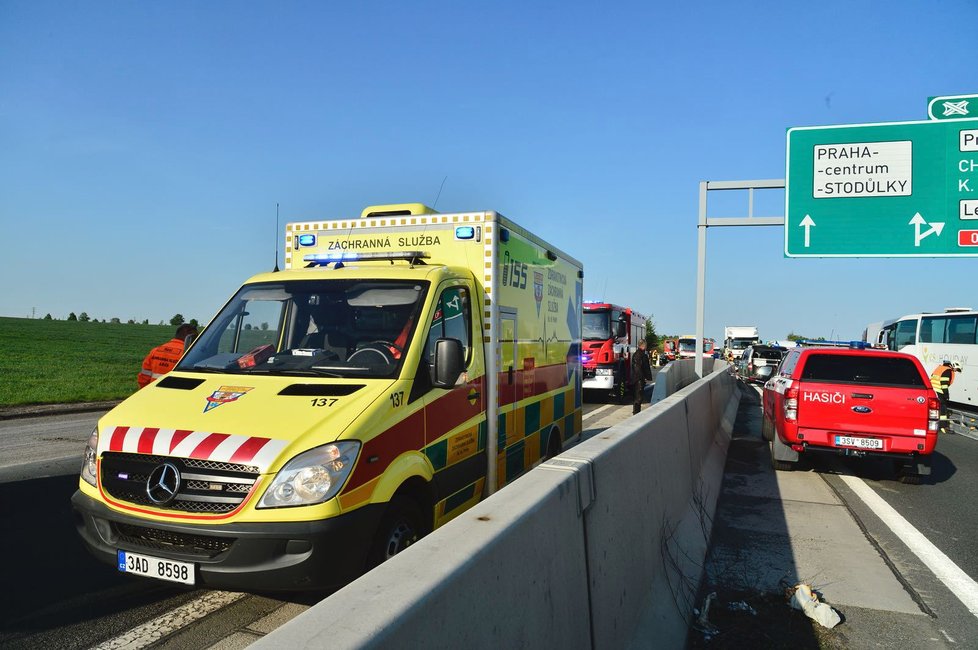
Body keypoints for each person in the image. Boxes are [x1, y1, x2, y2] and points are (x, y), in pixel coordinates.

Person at [137, 324, 198, 389]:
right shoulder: (189, 354)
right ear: (190, 336)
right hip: (176, 394)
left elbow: (144, 376)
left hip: (153, 392)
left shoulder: (155, 351)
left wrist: (145, 391)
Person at [930, 360, 962, 433]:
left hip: (933, 390)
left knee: (935, 409)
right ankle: (943, 427)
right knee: (943, 409)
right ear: (954, 366)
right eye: (957, 369)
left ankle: (935, 425)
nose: (956, 371)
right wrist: (946, 395)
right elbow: (944, 384)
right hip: (939, 391)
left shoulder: (940, 368)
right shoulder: (947, 371)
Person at [629, 339, 654, 414]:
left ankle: (636, 412)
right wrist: (644, 377)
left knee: (637, 397)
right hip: (638, 379)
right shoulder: (641, 355)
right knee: (638, 398)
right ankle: (636, 413)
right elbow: (640, 368)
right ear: (643, 345)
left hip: (637, 378)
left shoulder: (637, 354)